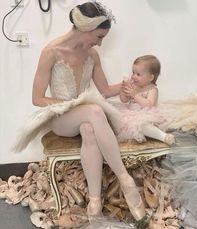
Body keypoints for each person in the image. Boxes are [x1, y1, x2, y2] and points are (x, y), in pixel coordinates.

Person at [15, 1, 146, 225]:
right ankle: (126, 181)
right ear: (86, 28)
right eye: (99, 37)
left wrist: (128, 85)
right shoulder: (51, 52)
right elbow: (37, 99)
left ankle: (94, 203)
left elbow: (104, 91)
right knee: (94, 112)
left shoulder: (92, 55)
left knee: (89, 128)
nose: (100, 44)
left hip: (86, 116)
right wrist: (72, 104)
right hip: (60, 117)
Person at [116, 55, 176, 145]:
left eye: (138, 74)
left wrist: (135, 95)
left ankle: (164, 137)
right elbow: (124, 100)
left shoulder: (152, 89)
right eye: (133, 73)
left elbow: (149, 105)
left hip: (146, 115)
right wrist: (123, 90)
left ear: (150, 78)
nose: (133, 76)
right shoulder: (133, 86)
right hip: (131, 115)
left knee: (143, 125)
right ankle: (139, 135)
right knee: (120, 122)